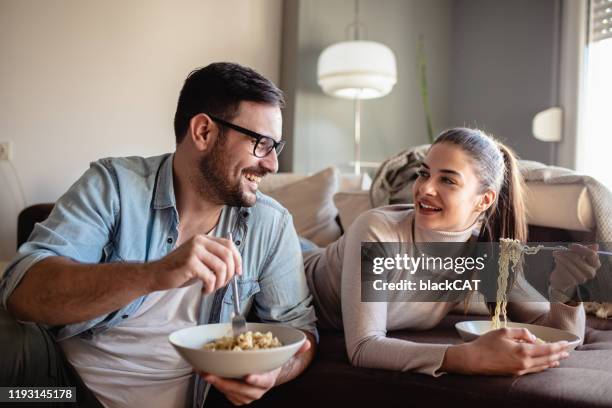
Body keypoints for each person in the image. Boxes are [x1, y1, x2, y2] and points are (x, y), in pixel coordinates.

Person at [0, 62, 317, 407]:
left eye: (275, 147)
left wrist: (274, 373)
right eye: (260, 143)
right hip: (63, 391)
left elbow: (301, 333)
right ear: (203, 132)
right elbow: (23, 291)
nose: (272, 164)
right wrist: (155, 274)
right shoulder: (114, 186)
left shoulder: (270, 225)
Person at [304, 127, 600, 376]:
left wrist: (567, 293)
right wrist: (467, 357)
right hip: (292, 271)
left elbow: (556, 335)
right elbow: (363, 347)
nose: (425, 188)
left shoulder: (487, 254)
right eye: (424, 173)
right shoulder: (377, 231)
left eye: (447, 179)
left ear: (484, 200)